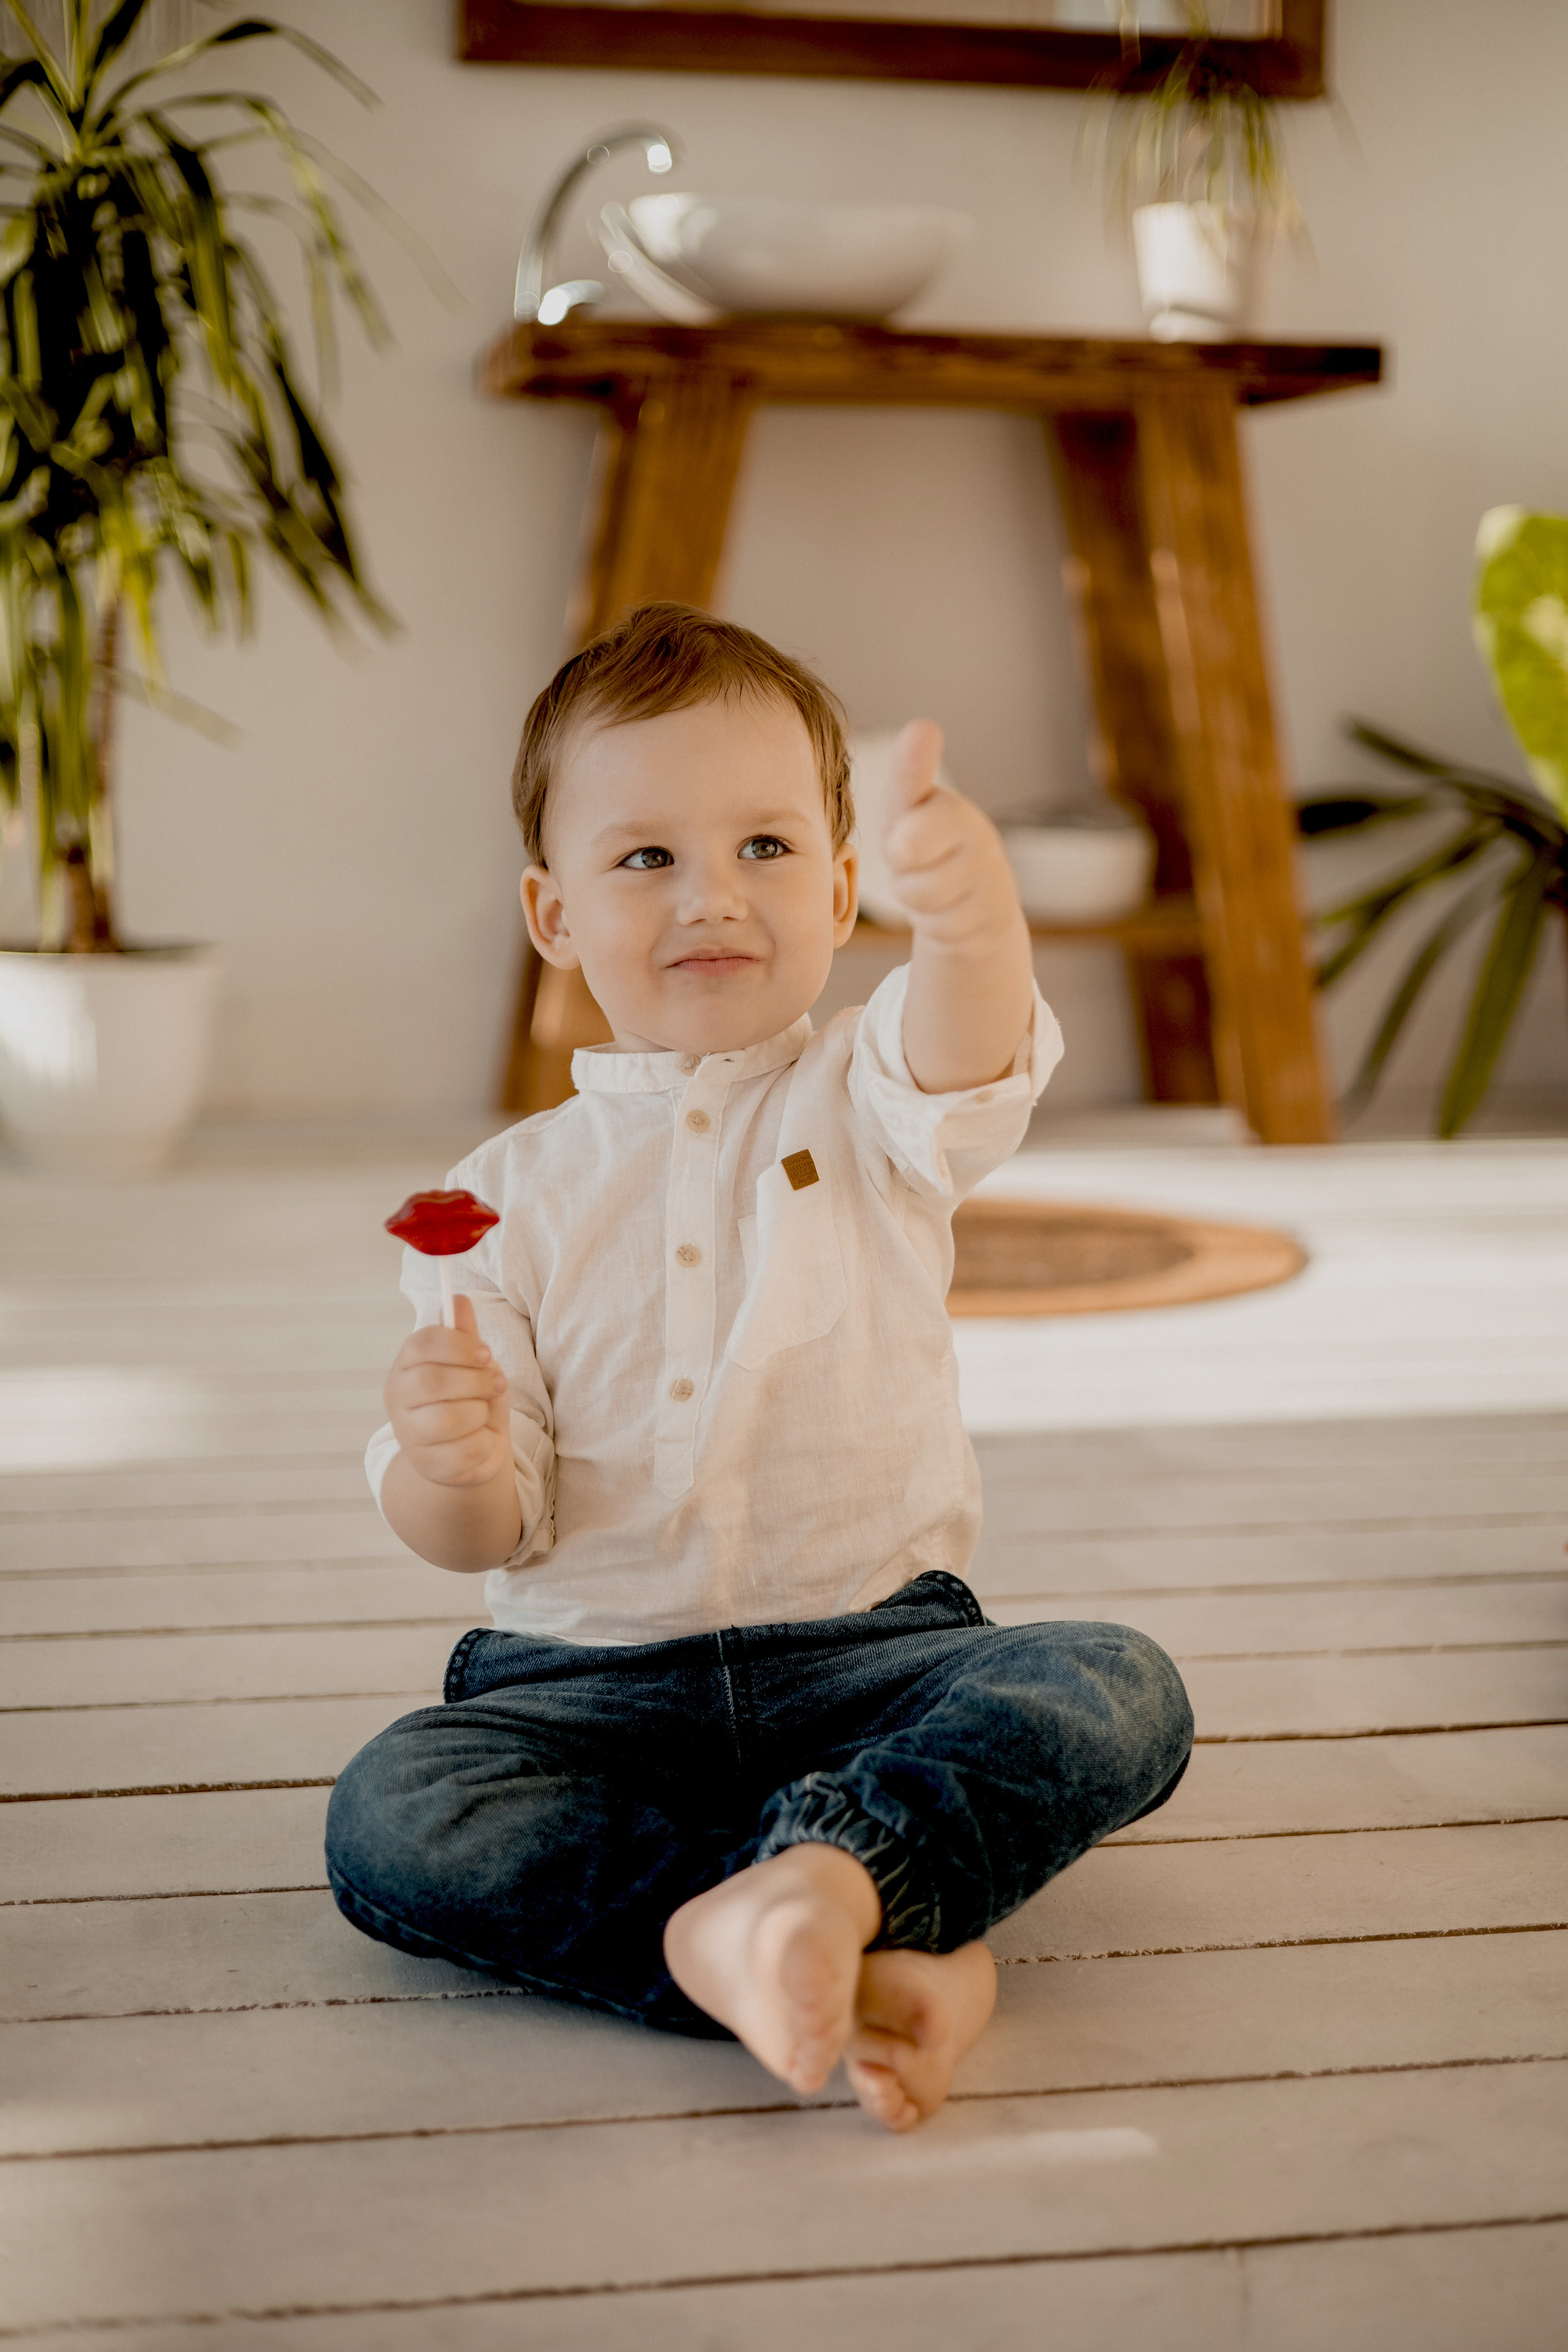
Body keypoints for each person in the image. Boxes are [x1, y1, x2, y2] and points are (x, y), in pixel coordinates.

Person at [326, 603, 1193, 2133]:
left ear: (847, 889)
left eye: (767, 849)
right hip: (581, 1690)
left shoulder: (863, 1091)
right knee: (398, 1808)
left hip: (871, 1658)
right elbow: (483, 1527)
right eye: (645, 857)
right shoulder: (504, 1195)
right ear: (553, 915)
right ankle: (858, 1933)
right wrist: (442, 1472)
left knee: (1109, 1684)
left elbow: (966, 1043)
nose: (710, 895)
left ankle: (804, 1898)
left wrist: (971, 917)